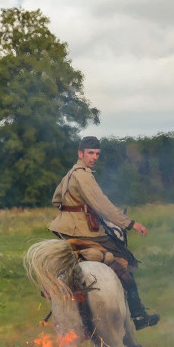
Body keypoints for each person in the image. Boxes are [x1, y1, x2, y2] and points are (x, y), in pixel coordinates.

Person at [49, 136, 160, 330]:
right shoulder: (83, 175)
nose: (94, 157)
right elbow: (101, 204)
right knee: (126, 257)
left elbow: (56, 200)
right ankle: (139, 316)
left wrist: (76, 208)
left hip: (63, 230)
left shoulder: (69, 174)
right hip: (82, 232)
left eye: (97, 154)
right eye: (90, 153)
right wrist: (129, 223)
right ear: (80, 153)